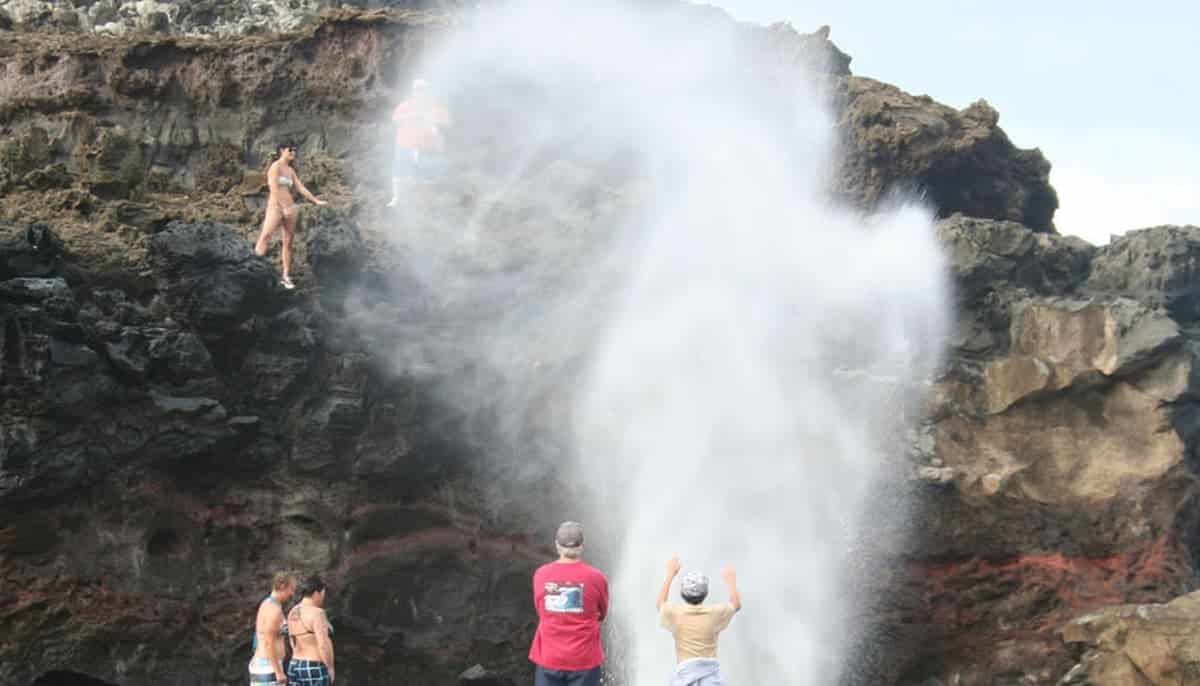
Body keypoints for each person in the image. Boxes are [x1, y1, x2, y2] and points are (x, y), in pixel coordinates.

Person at [529, 521, 609, 686]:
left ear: (557, 545)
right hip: (584, 659)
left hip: (549, 657)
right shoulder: (596, 577)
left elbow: (540, 609)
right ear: (582, 546)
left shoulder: (541, 574)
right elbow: (602, 612)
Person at [655, 555, 741, 686]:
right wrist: (730, 580)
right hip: (710, 679)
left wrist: (670, 574)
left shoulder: (676, 614)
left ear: (682, 594)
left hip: (685, 677)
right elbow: (735, 604)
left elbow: (660, 603)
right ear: (706, 593)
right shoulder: (715, 614)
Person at [254, 141, 327, 290]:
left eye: (295, 150)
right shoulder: (275, 167)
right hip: (276, 207)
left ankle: (286, 276)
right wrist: (283, 206)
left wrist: (315, 201)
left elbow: (300, 187)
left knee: (288, 243)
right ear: (282, 150)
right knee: (265, 235)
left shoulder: (290, 170)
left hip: (291, 208)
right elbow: (273, 187)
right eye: (290, 149)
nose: (293, 152)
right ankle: (252, 268)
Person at [386, 79, 451, 207]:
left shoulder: (435, 106)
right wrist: (412, 116)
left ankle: (425, 202)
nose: (420, 92)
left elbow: (447, 123)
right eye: (418, 90)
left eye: (423, 90)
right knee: (399, 173)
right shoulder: (406, 105)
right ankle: (397, 199)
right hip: (404, 145)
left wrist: (432, 120)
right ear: (413, 91)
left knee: (427, 175)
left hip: (427, 147)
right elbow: (395, 119)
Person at [286, 574, 336, 685]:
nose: (323, 598)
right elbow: (323, 644)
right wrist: (330, 668)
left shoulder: (292, 612)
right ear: (316, 593)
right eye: (322, 594)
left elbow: (292, 641)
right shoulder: (317, 613)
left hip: (295, 664)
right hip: (313, 665)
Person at [250, 571, 297, 686]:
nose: (292, 593)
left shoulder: (267, 604)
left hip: (264, 664)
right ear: (282, 586)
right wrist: (278, 672)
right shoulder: (273, 610)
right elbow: (268, 642)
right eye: (291, 589)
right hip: (268, 667)